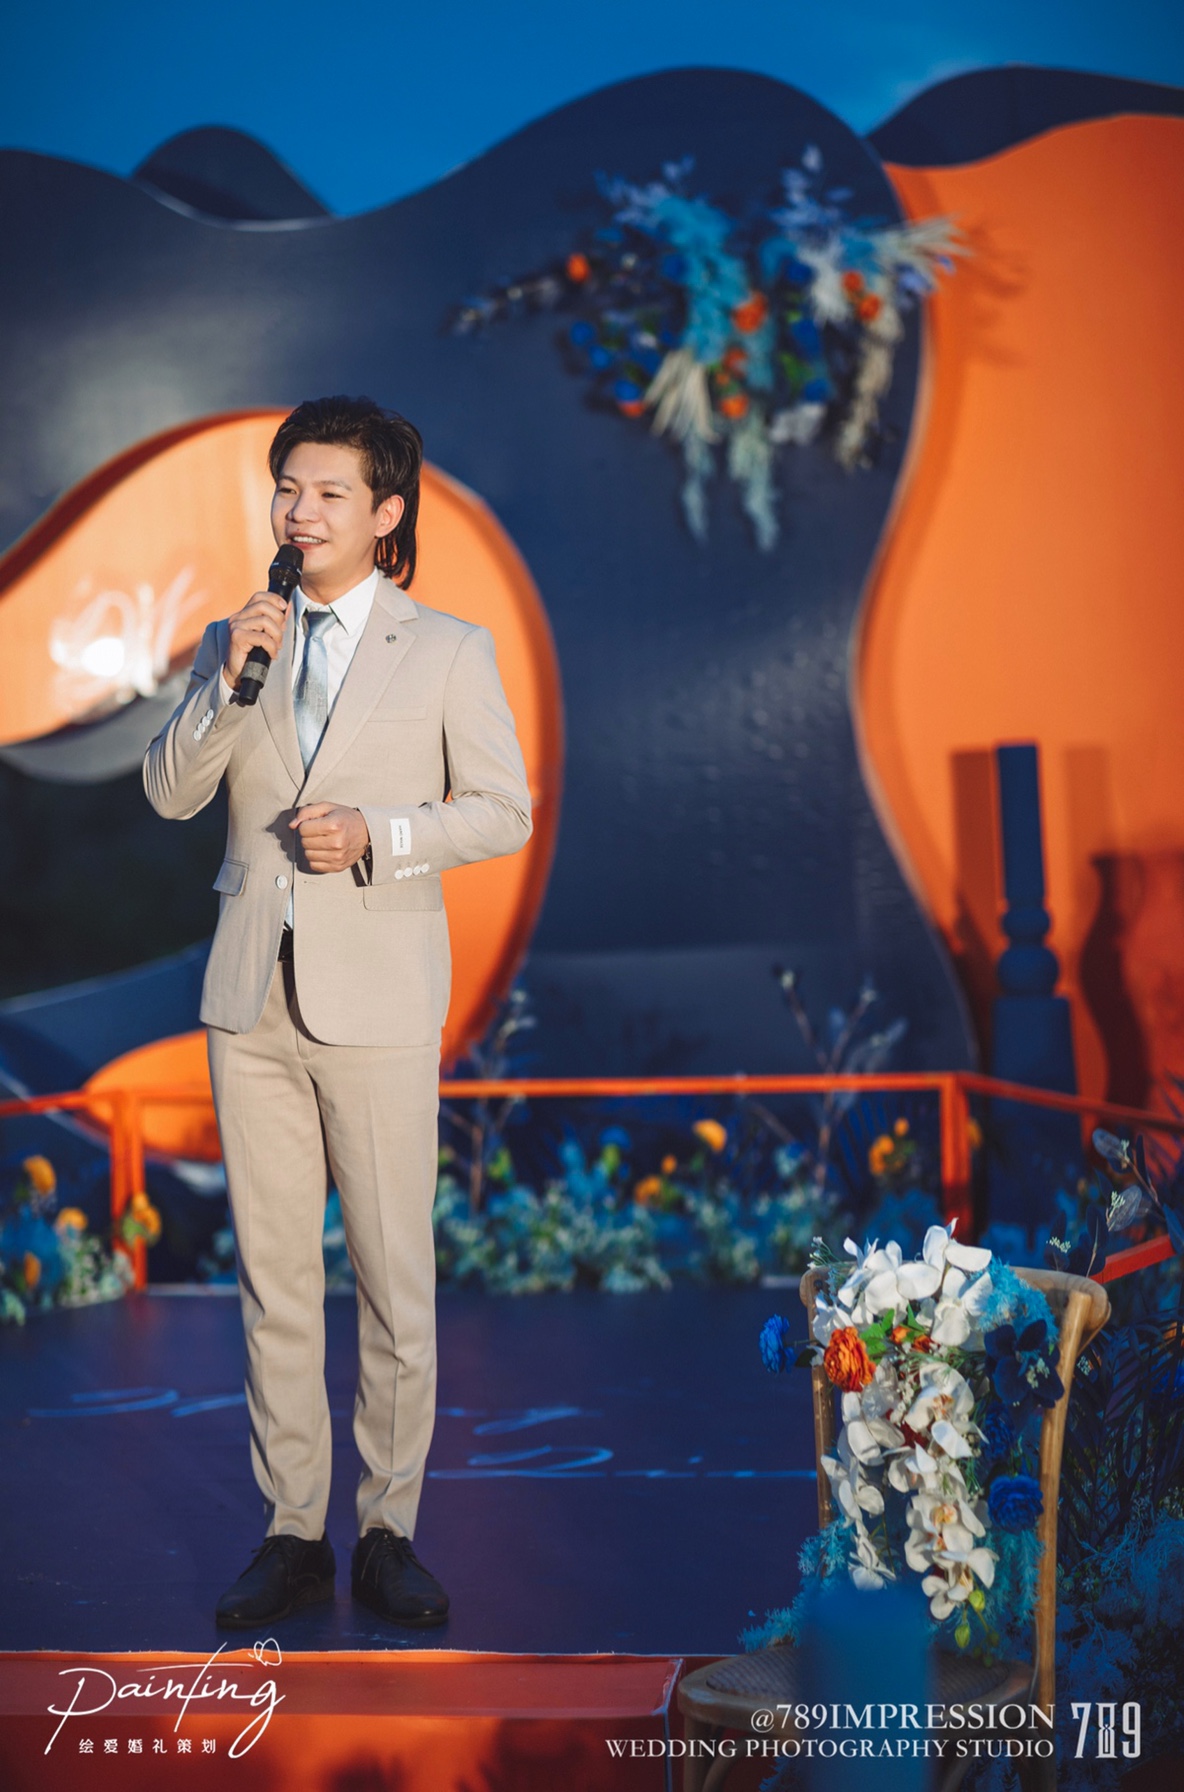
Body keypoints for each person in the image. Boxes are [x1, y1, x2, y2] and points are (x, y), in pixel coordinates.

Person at [143, 396, 532, 1630]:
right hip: (248, 996)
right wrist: (224, 685)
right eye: (286, 489)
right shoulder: (235, 639)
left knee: (390, 1276)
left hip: (376, 993)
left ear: (384, 512)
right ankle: (291, 1530)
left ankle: (388, 1530)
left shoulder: (448, 648)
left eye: (325, 493)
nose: (298, 512)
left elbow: (502, 809)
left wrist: (381, 833)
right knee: (271, 1281)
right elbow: (169, 792)